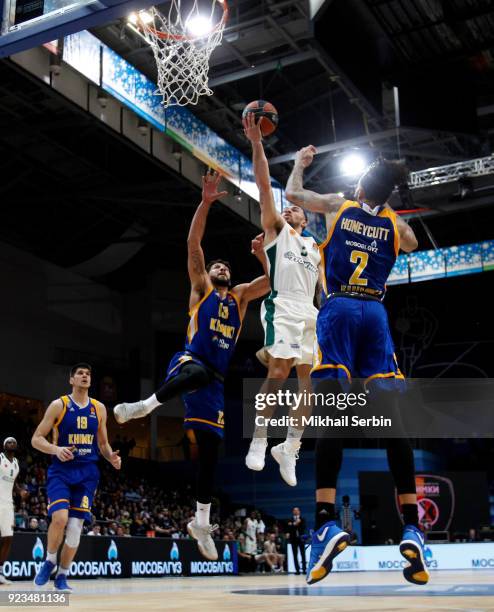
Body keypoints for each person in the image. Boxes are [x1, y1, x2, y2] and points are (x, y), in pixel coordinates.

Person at [286, 147, 426, 587]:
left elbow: (292, 193)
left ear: (361, 184)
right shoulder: (393, 223)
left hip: (341, 308)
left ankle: (326, 520)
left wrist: (299, 166)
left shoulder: (338, 205)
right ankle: (412, 525)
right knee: (393, 422)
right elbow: (412, 242)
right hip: (376, 317)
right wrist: (385, 205)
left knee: (334, 415)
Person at [114, 171, 270, 561]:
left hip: (215, 381)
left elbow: (275, 281)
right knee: (196, 372)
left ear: (230, 274)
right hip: (189, 361)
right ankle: (145, 406)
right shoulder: (200, 289)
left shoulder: (241, 297)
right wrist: (204, 202)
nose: (217, 268)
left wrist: (262, 254)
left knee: (212, 454)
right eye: (214, 266)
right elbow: (193, 244)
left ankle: (201, 522)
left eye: (223, 266)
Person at [243, 113, 321, 486]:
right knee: (278, 374)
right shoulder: (277, 232)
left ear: (306, 219)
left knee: (310, 385)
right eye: (287, 207)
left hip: (311, 313)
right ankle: (259, 439)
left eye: (295, 209)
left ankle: (289, 447)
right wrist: (258, 143)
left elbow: (322, 290)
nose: (289, 209)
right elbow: (262, 185)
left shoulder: (314, 247)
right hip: (283, 306)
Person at [31, 363, 121, 592]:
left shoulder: (99, 408)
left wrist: (111, 457)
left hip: (87, 474)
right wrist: (56, 449)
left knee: (74, 528)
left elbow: (102, 443)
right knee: (59, 519)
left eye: (88, 374)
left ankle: (62, 575)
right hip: (61, 471)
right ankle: (50, 560)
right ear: (71, 379)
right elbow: (36, 439)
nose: (85, 376)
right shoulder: (58, 405)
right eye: (80, 373)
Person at [0, 437, 25, 585]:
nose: (12, 443)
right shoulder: (0, 458)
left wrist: (20, 491)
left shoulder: (16, 464)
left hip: (8, 503)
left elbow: (13, 481)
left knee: (8, 537)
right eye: (9, 442)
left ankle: (0, 572)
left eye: (14, 442)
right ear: (4, 446)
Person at [285, 506, 306, 575]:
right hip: (293, 539)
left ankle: (304, 569)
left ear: (299, 511)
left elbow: (303, 528)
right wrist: (295, 524)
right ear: (293, 512)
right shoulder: (290, 520)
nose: (296, 511)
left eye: (297, 510)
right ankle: (297, 570)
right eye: (294, 510)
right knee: (295, 555)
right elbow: (289, 529)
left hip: (301, 539)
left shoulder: (302, 519)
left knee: (303, 555)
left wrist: (294, 525)